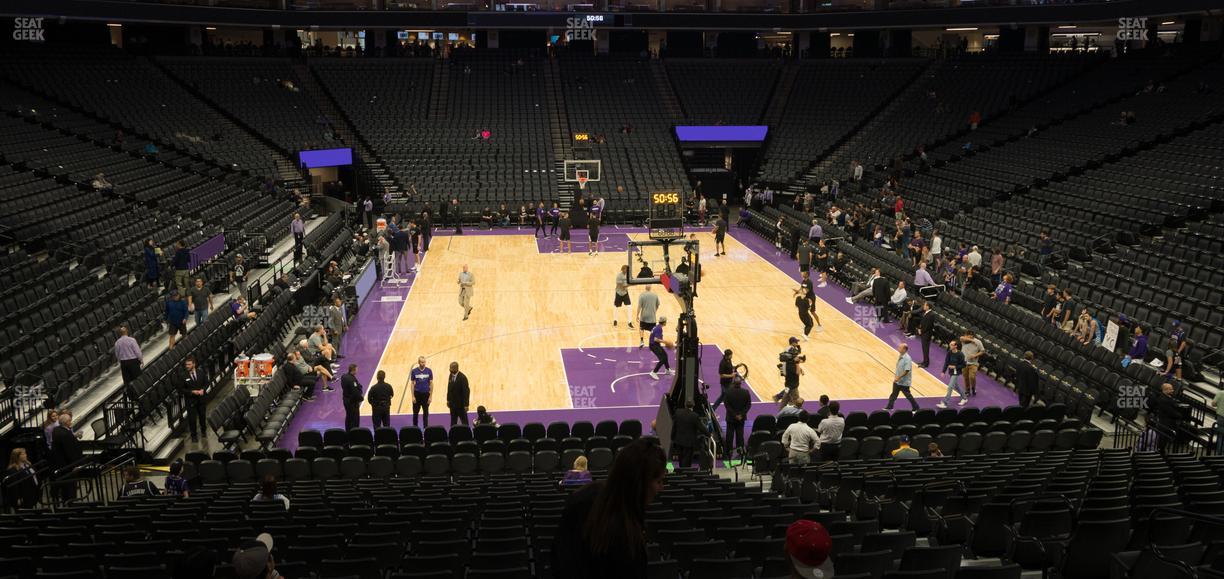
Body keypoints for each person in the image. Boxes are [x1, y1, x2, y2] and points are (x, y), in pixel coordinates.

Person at [553, 438, 667, 578]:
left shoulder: (583, 498)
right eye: (659, 481)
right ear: (640, 482)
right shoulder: (625, 528)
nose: (662, 487)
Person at [50, 413, 82, 502]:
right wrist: (75, 465)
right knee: (70, 488)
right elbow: (69, 452)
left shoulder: (57, 430)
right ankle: (70, 503)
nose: (71, 422)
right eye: (69, 420)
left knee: (66, 487)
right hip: (67, 466)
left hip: (61, 464)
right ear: (66, 422)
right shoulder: (65, 434)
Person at [180, 356, 209, 443]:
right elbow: (181, 389)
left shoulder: (201, 372)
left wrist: (203, 390)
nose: (187, 366)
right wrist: (192, 392)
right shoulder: (183, 375)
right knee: (192, 419)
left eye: (189, 364)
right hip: (191, 401)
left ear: (194, 364)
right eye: (186, 364)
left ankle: (203, 431)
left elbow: (206, 383)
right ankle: (194, 436)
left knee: (202, 416)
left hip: (201, 399)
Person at [670, 400, 706, 469]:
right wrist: (709, 434)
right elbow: (702, 428)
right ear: (693, 406)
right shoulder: (694, 416)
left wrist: (672, 437)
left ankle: (681, 473)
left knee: (680, 459)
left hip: (678, 441)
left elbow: (674, 426)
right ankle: (685, 475)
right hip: (688, 443)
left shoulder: (678, 412)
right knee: (687, 461)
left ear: (685, 405)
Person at [723, 376, 751, 461]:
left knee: (729, 435)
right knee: (740, 435)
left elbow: (727, 405)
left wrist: (734, 415)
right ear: (740, 384)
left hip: (731, 418)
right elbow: (748, 405)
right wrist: (741, 415)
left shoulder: (728, 392)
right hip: (741, 418)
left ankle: (728, 453)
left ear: (733, 383)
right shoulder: (745, 392)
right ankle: (740, 453)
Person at [885, 344, 919, 411]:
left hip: (904, 382)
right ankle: (889, 407)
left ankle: (916, 407)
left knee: (908, 396)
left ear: (904, 349)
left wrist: (898, 377)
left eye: (900, 347)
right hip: (897, 381)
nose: (898, 348)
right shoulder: (901, 355)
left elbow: (907, 370)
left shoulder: (907, 358)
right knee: (893, 395)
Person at [937, 340, 968, 408]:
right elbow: (946, 362)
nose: (949, 345)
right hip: (951, 372)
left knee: (950, 386)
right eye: (950, 344)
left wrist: (955, 367)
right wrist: (943, 371)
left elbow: (964, 365)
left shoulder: (960, 354)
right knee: (956, 386)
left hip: (956, 372)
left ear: (955, 346)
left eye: (951, 344)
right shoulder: (949, 353)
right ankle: (964, 398)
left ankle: (945, 403)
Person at [114, 325, 143, 391]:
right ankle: (138, 393)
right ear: (127, 332)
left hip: (124, 363)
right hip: (133, 362)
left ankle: (130, 396)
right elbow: (137, 351)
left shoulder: (117, 343)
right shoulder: (132, 340)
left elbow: (117, 354)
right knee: (136, 379)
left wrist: (120, 362)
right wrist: (141, 360)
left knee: (127, 381)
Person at [409, 357, 434, 428]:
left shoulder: (429, 371)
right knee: (415, 413)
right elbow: (412, 384)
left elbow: (431, 383)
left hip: (426, 395)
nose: (423, 364)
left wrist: (430, 396)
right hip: (417, 394)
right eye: (422, 362)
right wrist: (413, 396)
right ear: (418, 362)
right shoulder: (414, 371)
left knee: (426, 413)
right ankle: (415, 428)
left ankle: (425, 428)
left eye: (424, 362)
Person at [961, 331, 985, 397]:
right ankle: (967, 390)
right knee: (965, 377)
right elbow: (961, 338)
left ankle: (973, 388)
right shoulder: (964, 340)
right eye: (966, 335)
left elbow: (982, 351)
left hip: (973, 363)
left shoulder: (978, 342)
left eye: (969, 335)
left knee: (972, 377)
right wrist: (971, 340)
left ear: (972, 335)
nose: (966, 336)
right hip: (964, 362)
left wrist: (975, 355)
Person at [341, 364, 364, 431]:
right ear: (353, 370)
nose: (357, 371)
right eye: (356, 369)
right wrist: (361, 398)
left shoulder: (344, 376)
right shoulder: (352, 380)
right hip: (352, 402)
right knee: (355, 419)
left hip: (345, 400)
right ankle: (354, 433)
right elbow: (355, 393)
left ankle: (348, 431)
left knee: (348, 416)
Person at [446, 362, 470, 426]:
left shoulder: (462, 378)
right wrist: (448, 400)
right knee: (453, 422)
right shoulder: (450, 375)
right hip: (452, 405)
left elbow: (466, 392)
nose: (449, 369)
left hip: (461, 405)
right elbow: (449, 388)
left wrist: (466, 405)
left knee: (464, 422)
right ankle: (452, 434)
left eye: (451, 368)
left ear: (455, 368)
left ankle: (467, 433)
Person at [917, 301, 935, 367]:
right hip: (924, 333)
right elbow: (923, 322)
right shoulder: (926, 313)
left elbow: (928, 326)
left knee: (926, 349)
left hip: (927, 334)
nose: (923, 306)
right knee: (924, 349)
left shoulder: (931, 314)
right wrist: (919, 328)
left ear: (928, 306)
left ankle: (926, 364)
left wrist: (921, 331)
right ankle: (924, 362)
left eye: (924, 305)